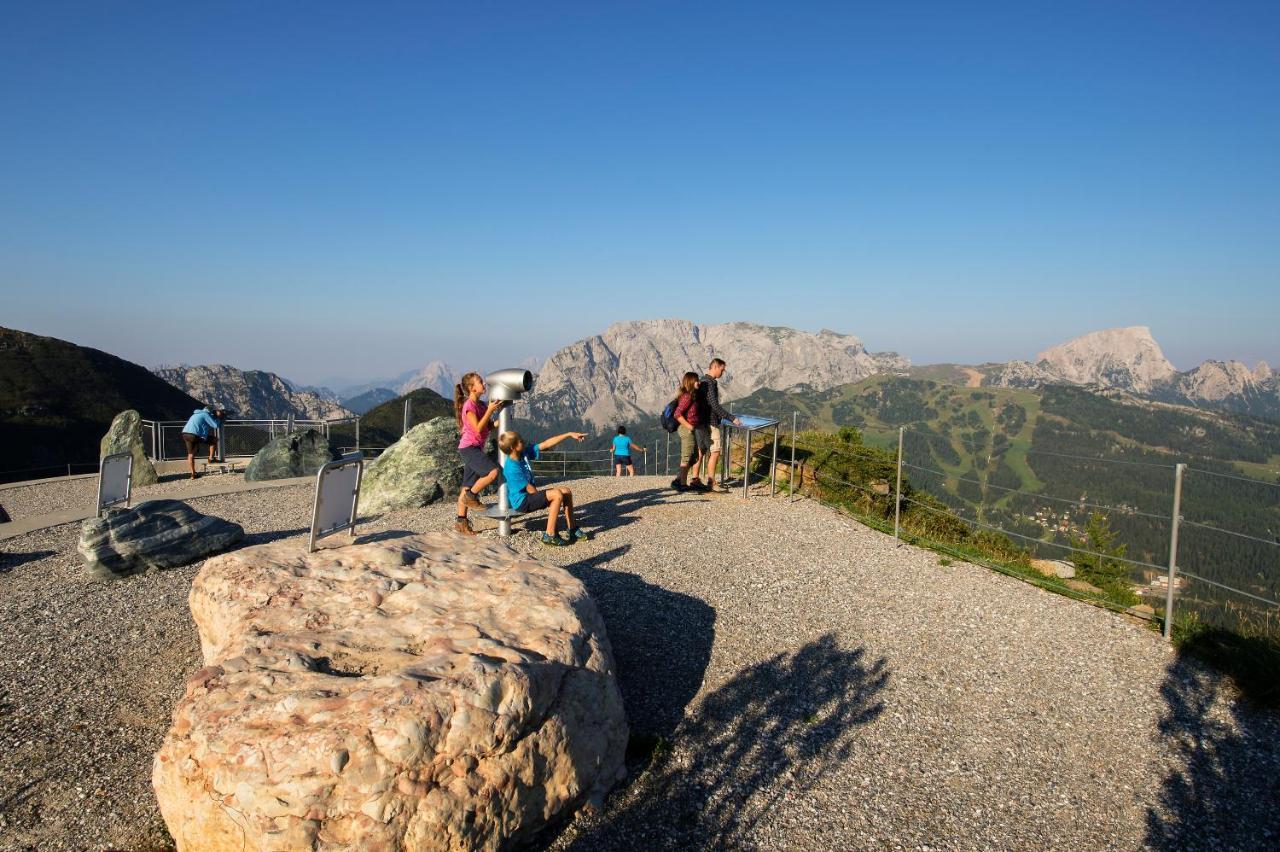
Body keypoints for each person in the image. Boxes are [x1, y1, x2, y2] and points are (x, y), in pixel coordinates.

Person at [498, 429, 590, 546]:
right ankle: (549, 535)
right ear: (513, 447)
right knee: (557, 495)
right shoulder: (511, 468)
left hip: (529, 495)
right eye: (520, 441)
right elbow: (529, 489)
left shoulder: (523, 453)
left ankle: (572, 529)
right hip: (522, 501)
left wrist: (568, 434)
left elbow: (546, 444)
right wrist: (545, 499)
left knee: (566, 491)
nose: (523, 441)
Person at [453, 372, 509, 536]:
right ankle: (471, 497)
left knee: (466, 485)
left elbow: (488, 426)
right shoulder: (469, 406)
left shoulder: (482, 405)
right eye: (480, 382)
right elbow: (477, 428)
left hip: (474, 448)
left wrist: (503, 419)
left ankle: (461, 522)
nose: (484, 383)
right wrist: (490, 409)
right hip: (469, 448)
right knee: (494, 472)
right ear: (472, 388)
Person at [695, 358, 742, 493]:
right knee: (715, 452)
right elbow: (714, 405)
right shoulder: (709, 383)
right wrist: (731, 418)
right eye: (722, 369)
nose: (723, 372)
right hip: (711, 422)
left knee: (701, 451)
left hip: (701, 422)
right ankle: (711, 482)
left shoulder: (703, 381)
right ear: (715, 367)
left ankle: (695, 479)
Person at [671, 371, 703, 490]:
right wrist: (689, 426)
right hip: (686, 429)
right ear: (691, 381)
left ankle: (679, 479)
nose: (699, 382)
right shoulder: (687, 396)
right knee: (687, 455)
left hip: (691, 429)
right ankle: (682, 484)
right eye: (696, 380)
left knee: (693, 456)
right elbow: (677, 414)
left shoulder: (691, 395)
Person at [181, 405, 226, 480]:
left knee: (190, 454)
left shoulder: (197, 413)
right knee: (214, 440)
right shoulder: (206, 414)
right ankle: (211, 458)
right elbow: (215, 425)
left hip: (185, 434)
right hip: (195, 435)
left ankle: (193, 473)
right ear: (210, 411)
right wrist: (219, 418)